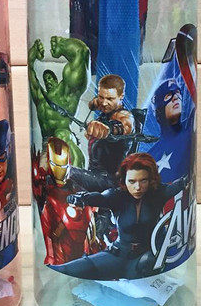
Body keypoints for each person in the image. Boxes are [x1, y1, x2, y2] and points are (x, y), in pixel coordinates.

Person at [49, 153, 187, 280]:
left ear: (150, 180)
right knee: (68, 269)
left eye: (143, 181)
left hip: (144, 259)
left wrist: (185, 181)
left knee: (145, 270)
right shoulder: (117, 195)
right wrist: (82, 199)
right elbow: (100, 198)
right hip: (117, 255)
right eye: (132, 181)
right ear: (124, 180)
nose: (137, 187)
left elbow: (177, 186)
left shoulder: (158, 193)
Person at [34, 138, 100, 266]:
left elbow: (91, 193)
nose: (60, 170)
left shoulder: (76, 180)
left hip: (77, 224)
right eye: (56, 165)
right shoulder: (43, 182)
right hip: (57, 225)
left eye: (63, 166)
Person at [28, 36, 90, 167]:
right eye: (45, 79)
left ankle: (77, 174)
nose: (48, 81)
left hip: (64, 141)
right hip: (46, 145)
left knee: (61, 134)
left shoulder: (64, 94)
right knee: (41, 175)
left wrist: (61, 45)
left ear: (57, 80)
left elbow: (81, 51)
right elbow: (32, 78)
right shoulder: (40, 99)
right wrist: (31, 58)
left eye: (50, 78)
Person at [68, 74, 135, 192]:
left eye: (110, 99)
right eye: (101, 97)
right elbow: (96, 103)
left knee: (64, 171)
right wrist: (94, 103)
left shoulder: (125, 116)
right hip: (93, 176)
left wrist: (107, 129)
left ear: (121, 96)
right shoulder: (105, 108)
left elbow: (124, 126)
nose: (104, 103)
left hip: (110, 183)